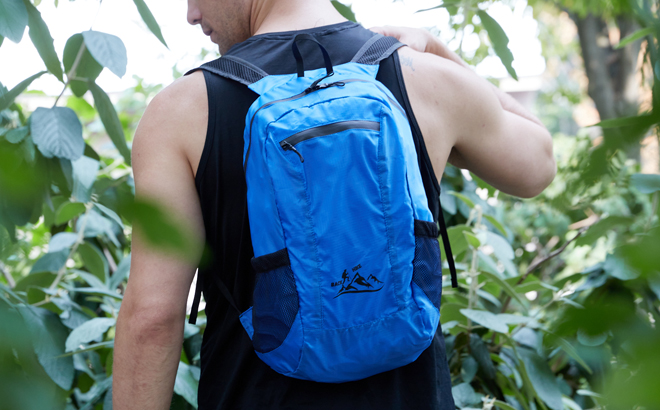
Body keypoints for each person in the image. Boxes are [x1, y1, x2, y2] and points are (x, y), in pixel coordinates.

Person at [113, 0, 556, 409]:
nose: (191, 13)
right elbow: (538, 165)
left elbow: (153, 319)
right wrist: (440, 51)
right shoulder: (427, 80)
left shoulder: (180, 112)